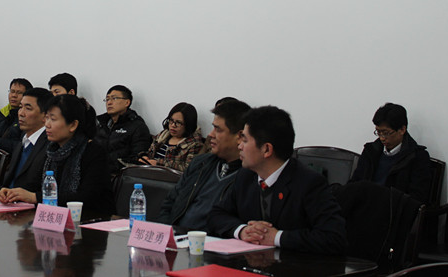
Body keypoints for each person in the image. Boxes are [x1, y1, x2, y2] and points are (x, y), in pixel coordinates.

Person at [209, 106, 347, 255]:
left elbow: (333, 238)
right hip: (249, 262)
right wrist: (243, 230)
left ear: (267, 150)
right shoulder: (246, 176)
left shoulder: (309, 183)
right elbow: (217, 214)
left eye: (245, 140)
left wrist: (277, 237)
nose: (239, 146)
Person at [0, 94, 113, 215]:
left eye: (53, 119)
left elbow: (86, 197)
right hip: (56, 217)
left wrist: (34, 197)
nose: (47, 124)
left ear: (73, 125)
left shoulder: (94, 152)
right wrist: (14, 193)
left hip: (93, 219)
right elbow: (35, 186)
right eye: (46, 118)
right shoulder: (52, 151)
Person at [157, 100, 250, 231]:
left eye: (218, 129)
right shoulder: (200, 163)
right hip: (177, 235)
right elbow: (169, 204)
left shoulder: (250, 176)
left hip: (210, 241)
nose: (210, 135)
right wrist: (165, 233)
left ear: (239, 136)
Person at [349, 102, 432, 203]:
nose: (382, 138)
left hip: (392, 208)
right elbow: (355, 182)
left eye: (386, 133)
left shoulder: (417, 157)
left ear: (402, 130)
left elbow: (416, 198)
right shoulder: (370, 151)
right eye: (378, 132)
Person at [0, 88, 53, 200]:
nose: (21, 113)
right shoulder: (23, 140)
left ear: (45, 116)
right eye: (20, 107)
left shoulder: (50, 145)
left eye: (28, 108)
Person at [93, 85, 150, 174]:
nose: (109, 102)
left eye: (114, 98)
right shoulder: (99, 123)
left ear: (127, 102)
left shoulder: (137, 126)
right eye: (107, 99)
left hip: (119, 175)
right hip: (95, 171)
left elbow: (137, 159)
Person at [139, 102, 204, 172]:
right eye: (171, 120)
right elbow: (150, 153)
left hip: (170, 178)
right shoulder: (163, 135)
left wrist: (159, 163)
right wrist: (144, 157)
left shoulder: (194, 145)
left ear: (188, 125)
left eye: (178, 123)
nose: (173, 125)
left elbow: (188, 169)